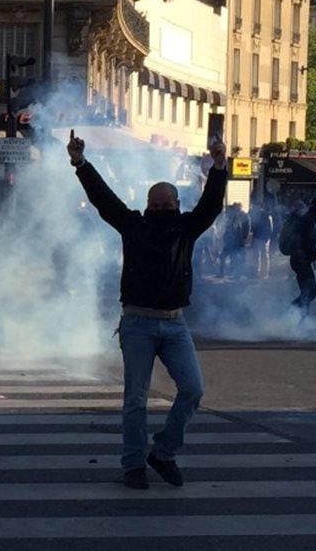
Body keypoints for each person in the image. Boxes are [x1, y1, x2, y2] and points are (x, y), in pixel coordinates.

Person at [68, 131, 227, 490]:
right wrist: (80, 164)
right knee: (135, 399)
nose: (158, 211)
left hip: (174, 323)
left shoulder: (187, 228)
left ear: (176, 204)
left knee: (193, 390)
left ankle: (164, 452)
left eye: (164, 205)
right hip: (137, 322)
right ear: (146, 205)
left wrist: (219, 168)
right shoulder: (133, 225)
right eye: (153, 205)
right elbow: (104, 200)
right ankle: (133, 465)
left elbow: (212, 206)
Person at [289, 196, 316, 318]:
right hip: (300, 260)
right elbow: (303, 244)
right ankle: (290, 311)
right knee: (311, 291)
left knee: (307, 292)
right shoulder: (306, 222)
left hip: (302, 260)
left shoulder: (309, 221)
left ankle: (302, 320)